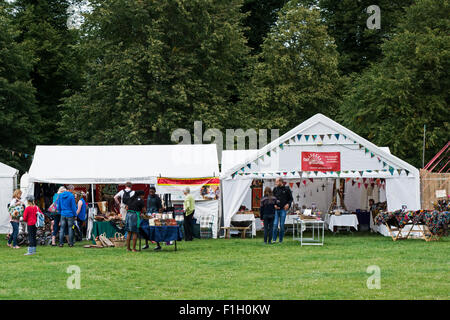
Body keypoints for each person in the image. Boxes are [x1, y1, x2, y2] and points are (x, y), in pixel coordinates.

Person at [272, 178, 293, 243]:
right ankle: (274, 240)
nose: (276, 183)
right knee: (275, 224)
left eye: (277, 182)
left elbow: (291, 199)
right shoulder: (275, 189)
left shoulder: (287, 189)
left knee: (281, 225)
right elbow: (272, 199)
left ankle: (280, 240)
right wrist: (274, 205)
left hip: (283, 210)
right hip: (276, 210)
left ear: (281, 182)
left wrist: (288, 204)